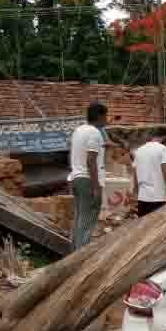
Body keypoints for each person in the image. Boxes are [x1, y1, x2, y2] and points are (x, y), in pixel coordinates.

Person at [68, 102, 108, 250]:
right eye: (105, 116)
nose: (107, 120)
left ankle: (73, 252)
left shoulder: (78, 130)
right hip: (87, 180)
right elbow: (91, 160)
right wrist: (96, 187)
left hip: (76, 177)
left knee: (79, 218)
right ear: (100, 116)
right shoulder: (95, 133)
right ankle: (81, 256)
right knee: (87, 220)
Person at [132, 132, 166, 217]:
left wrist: (136, 192)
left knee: (143, 227)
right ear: (164, 138)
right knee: (158, 227)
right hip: (159, 197)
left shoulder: (139, 150)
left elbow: (135, 174)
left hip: (143, 198)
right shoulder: (163, 149)